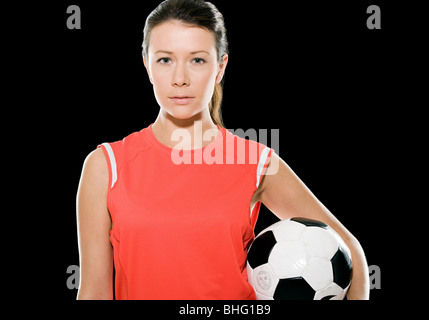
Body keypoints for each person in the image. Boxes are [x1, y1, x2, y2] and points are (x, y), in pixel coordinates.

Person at [76, 0, 369, 300]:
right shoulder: (106, 166)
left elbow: (349, 250)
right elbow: (94, 293)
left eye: (197, 60)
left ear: (220, 68)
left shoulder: (256, 162)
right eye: (165, 60)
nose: (180, 78)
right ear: (147, 65)